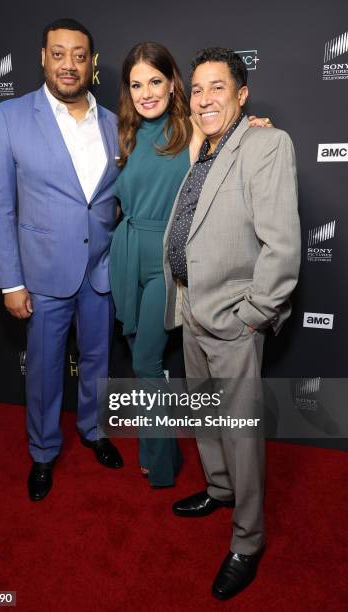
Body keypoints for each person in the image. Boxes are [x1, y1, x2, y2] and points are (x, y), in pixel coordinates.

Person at [164, 47, 300, 599]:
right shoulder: (206, 149)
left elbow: (283, 246)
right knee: (204, 416)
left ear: (241, 96)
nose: (204, 99)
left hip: (233, 320)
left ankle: (248, 539)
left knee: (241, 435)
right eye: (196, 90)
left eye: (217, 88)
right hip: (192, 311)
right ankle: (218, 490)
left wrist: (255, 316)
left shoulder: (267, 144)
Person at [110, 42, 272, 488]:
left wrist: (255, 127)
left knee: (145, 360)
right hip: (126, 254)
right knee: (137, 356)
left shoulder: (190, 128)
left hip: (166, 260)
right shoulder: (122, 132)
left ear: (172, 83)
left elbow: (233, 138)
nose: (146, 93)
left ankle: (160, 463)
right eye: (136, 84)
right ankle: (159, 452)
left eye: (155, 81)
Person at [0, 18, 123, 502]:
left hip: (102, 269)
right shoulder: (10, 118)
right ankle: (43, 451)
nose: (69, 65)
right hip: (41, 274)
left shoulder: (114, 123)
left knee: (99, 360)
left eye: (79, 56)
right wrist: (10, 282)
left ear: (93, 64)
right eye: (59, 54)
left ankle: (95, 429)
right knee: (43, 368)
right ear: (43, 57)